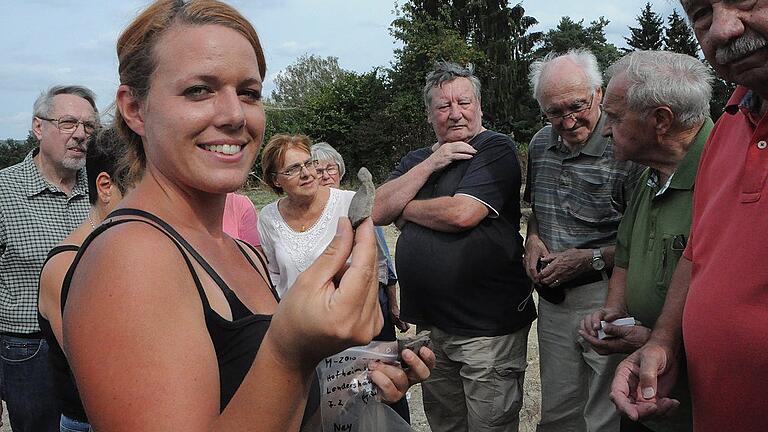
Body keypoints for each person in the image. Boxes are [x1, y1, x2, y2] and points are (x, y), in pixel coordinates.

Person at [61, 1, 431, 431]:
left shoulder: (241, 250)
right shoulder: (130, 258)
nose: (235, 114)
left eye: (249, 93)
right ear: (135, 109)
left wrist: (354, 380)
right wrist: (291, 351)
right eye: (198, 90)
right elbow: (278, 364)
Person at [610, 2, 768, 431]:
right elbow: (699, 253)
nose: (720, 29)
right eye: (699, 13)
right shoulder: (734, 124)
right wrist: (665, 341)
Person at [373, 61, 536, 432]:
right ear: (430, 114)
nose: (455, 113)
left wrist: (406, 210)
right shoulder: (418, 159)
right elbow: (378, 209)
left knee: (489, 426)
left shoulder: (495, 148)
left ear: (479, 106)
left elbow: (462, 213)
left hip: (487, 329)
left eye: (464, 102)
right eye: (443, 106)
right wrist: (434, 161)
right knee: (445, 425)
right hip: (432, 326)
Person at [576, 50, 713, 432]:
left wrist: (657, 339)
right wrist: (614, 313)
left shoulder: (723, 175)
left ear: (661, 121)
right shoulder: (650, 175)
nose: (604, 129)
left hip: (692, 408)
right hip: (645, 395)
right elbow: (626, 255)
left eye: (616, 118)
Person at [524, 49, 643, 432]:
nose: (568, 120)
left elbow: (641, 238)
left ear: (599, 94)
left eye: (577, 106)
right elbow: (537, 210)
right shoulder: (541, 144)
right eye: (554, 112)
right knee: (559, 411)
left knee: (606, 412)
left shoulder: (627, 149)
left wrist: (589, 259)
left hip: (609, 296)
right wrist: (533, 239)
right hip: (555, 302)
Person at [0, 84, 98, 432]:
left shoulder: (104, 189)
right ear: (38, 127)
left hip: (99, 342)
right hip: (30, 351)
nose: (81, 135)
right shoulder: (4, 191)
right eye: (69, 123)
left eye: (89, 126)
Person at [38, 126, 134, 432]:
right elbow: (100, 377)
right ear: (105, 187)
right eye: (147, 189)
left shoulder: (137, 249)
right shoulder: (67, 265)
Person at [310, 141, 411, 422]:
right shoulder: (310, 211)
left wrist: (392, 305)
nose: (324, 174)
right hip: (331, 308)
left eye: (329, 168)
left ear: (340, 171)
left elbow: (384, 262)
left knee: (381, 372)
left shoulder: (355, 202)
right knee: (343, 380)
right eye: (317, 169)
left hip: (371, 301)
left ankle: (389, 422)